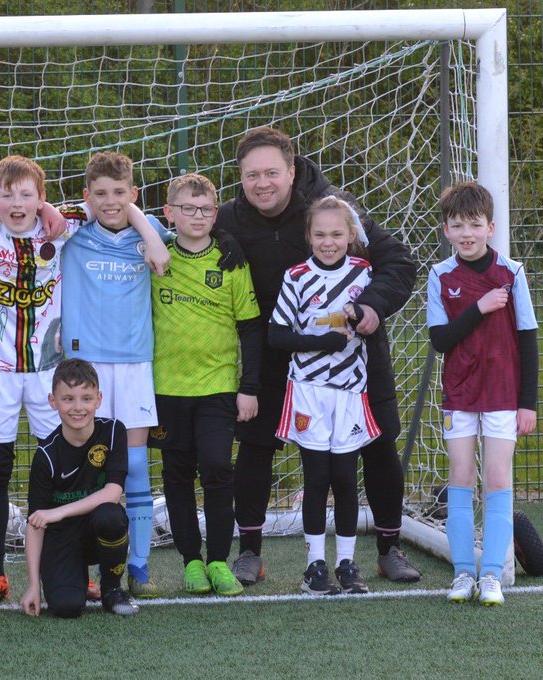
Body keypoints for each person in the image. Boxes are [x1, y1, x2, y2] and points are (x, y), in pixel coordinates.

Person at [0, 155, 164, 606]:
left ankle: (76, 567)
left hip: (50, 374)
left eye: (28, 195)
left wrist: (150, 238)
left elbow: (117, 205)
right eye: (8, 195)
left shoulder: (65, 227)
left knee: (71, 467)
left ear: (43, 199)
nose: (18, 203)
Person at [213, 126, 420, 585]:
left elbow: (400, 263)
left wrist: (371, 308)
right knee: (255, 445)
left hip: (353, 355)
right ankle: (250, 552)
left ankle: (389, 547)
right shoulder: (226, 219)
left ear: (291, 171)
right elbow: (177, 234)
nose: (262, 183)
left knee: (377, 442)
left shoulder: (333, 211)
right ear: (240, 177)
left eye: (271, 172)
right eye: (251, 175)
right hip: (270, 352)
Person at [56, 151, 173, 597]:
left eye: (120, 193)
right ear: (86, 197)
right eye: (100, 194)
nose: (110, 201)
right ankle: (82, 565)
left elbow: (161, 251)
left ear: (134, 195)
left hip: (134, 365)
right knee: (83, 472)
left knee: (138, 468)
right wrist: (93, 208)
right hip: (85, 368)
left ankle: (139, 567)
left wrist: (139, 219)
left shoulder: (148, 237)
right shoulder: (73, 235)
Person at [426, 181, 537, 606]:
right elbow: (440, 340)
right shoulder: (440, 276)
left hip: (504, 396)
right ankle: (461, 574)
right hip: (459, 393)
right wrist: (480, 307)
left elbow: (528, 341)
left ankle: (490, 574)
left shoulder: (513, 272)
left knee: (496, 479)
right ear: (447, 231)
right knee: (460, 477)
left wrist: (528, 402)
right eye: (458, 225)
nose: (467, 232)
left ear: (490, 227)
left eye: (475, 224)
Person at [150, 173, 260, 596]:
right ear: (168, 214)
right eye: (187, 209)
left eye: (206, 209)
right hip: (166, 387)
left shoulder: (231, 261)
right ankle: (191, 562)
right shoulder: (154, 257)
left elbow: (250, 329)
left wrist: (248, 387)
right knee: (177, 476)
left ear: (216, 214)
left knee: (216, 467)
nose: (197, 216)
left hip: (216, 386)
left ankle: (218, 560)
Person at [269, 196, 381, 595]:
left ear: (351, 235)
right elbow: (277, 335)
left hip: (350, 391)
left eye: (337, 234)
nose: (328, 242)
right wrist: (322, 342)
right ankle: (314, 567)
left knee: (346, 479)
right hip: (309, 393)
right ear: (309, 236)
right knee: (316, 479)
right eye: (320, 234)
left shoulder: (365, 273)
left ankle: (347, 564)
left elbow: (373, 317)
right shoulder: (296, 276)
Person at [20, 358, 137, 618]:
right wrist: (32, 586)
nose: (77, 407)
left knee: (111, 515)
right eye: (68, 399)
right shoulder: (46, 456)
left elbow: (113, 493)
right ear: (53, 402)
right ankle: (75, 579)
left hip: (96, 527)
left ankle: (111, 588)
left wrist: (59, 511)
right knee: (66, 606)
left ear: (98, 399)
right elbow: (36, 523)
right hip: (62, 537)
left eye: (86, 398)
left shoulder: (114, 432)